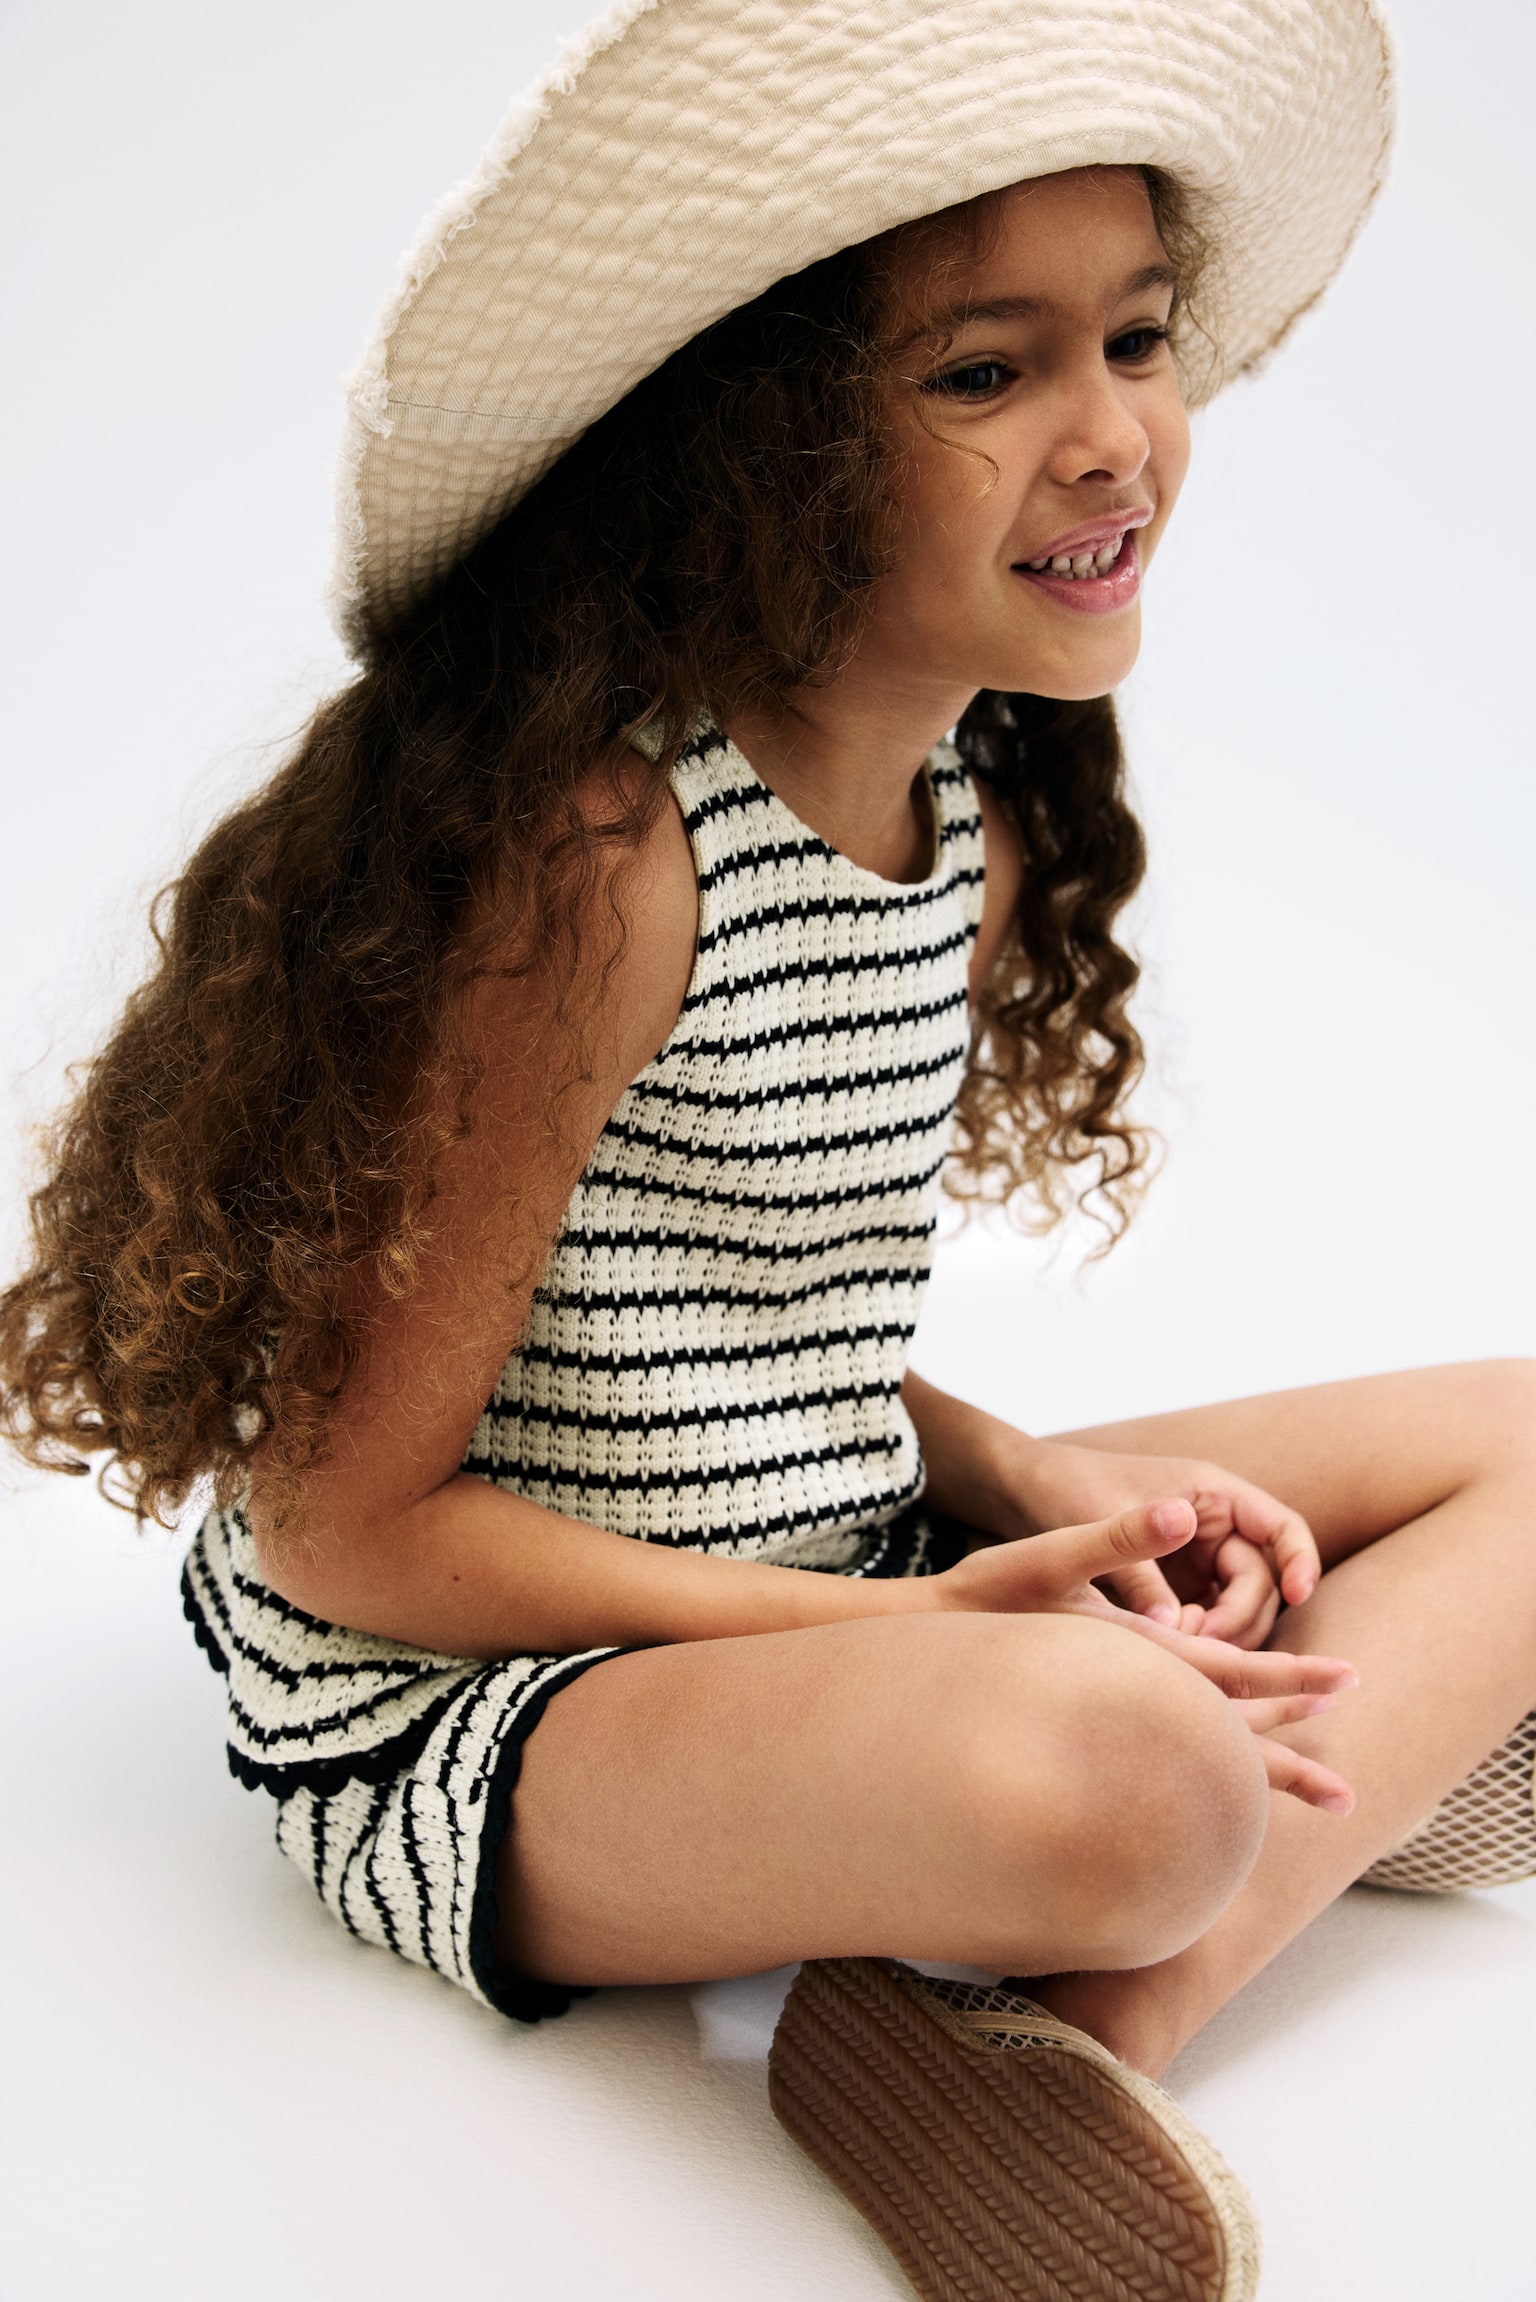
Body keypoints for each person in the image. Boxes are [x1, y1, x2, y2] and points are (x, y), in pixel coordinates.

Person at [3, 2, 1533, 2295]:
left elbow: (738, 1321)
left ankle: (1068, 2029)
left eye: (1134, 338)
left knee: (1529, 1435)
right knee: (1144, 1777)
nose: (1113, 436)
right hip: (483, 1709)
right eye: (986, 371)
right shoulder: (611, 857)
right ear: (763, 450)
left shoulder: (962, 833)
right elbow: (345, 1525)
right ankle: (1252, 1798)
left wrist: (1023, 1477)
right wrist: (900, 1619)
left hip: (819, 1556)